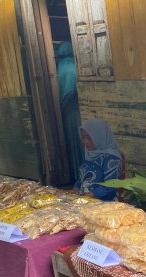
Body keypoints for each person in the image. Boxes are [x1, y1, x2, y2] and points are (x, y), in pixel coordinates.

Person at [73, 118, 122, 200]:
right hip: (85, 199)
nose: (85, 141)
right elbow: (83, 177)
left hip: (104, 202)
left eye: (89, 137)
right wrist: (76, 187)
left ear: (100, 136)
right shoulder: (88, 153)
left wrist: (92, 194)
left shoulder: (111, 158)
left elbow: (111, 185)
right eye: (83, 137)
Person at [56, 41, 83, 182]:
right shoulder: (73, 67)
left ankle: (75, 175)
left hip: (64, 113)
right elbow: (71, 91)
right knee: (80, 142)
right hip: (74, 111)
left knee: (71, 143)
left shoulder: (59, 68)